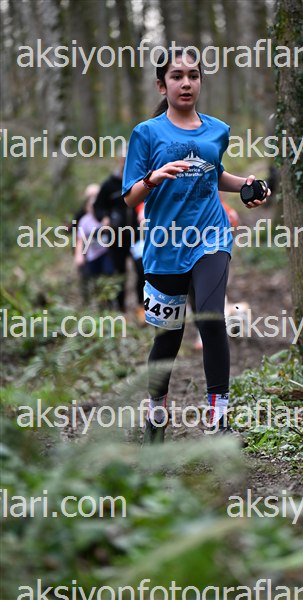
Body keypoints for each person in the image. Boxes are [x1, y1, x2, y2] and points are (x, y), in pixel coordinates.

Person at [122, 48, 270, 443]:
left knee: (211, 318)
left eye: (193, 75)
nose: (186, 82)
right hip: (165, 245)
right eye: (177, 76)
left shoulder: (217, 130)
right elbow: (131, 197)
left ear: (201, 81)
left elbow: (214, 173)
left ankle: (219, 419)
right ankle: (156, 413)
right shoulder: (146, 133)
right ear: (162, 85)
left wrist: (246, 185)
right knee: (167, 337)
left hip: (211, 236)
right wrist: (154, 178)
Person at [94, 155, 145, 319]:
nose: (126, 162)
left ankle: (141, 306)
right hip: (116, 237)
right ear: (119, 160)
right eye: (124, 159)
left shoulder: (141, 181)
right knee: (119, 273)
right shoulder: (109, 185)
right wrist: (104, 218)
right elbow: (98, 207)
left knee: (142, 270)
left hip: (137, 236)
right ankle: (120, 308)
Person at [75, 184, 114, 305]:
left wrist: (107, 225)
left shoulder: (106, 217)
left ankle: (108, 302)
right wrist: (79, 255)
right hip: (92, 255)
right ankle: (92, 302)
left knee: (108, 275)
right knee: (92, 277)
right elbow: (80, 239)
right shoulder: (84, 220)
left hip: (106, 253)